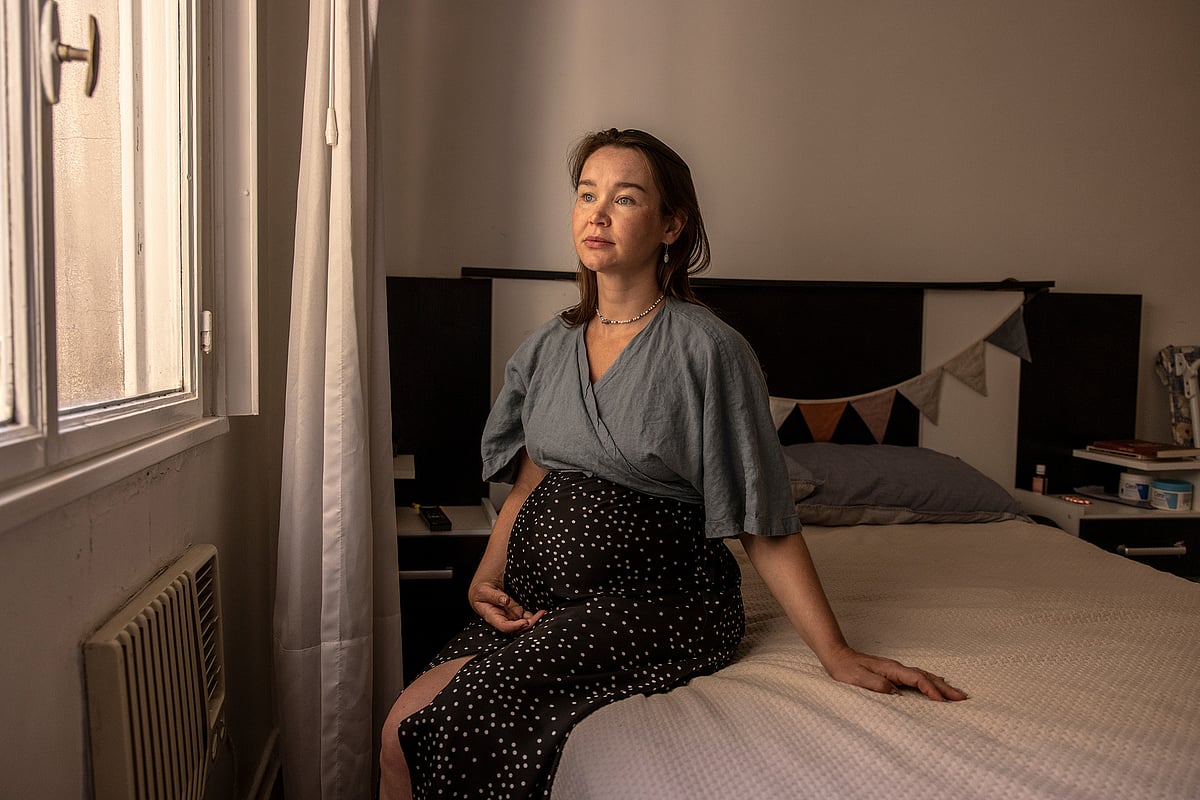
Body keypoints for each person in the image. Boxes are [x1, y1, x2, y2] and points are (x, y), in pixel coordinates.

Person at [379, 128, 967, 800]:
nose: (596, 213)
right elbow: (530, 482)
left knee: (445, 723)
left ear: (670, 225)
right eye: (586, 194)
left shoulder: (708, 350)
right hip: (543, 600)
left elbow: (761, 517)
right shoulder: (549, 346)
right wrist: (485, 577)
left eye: (624, 199)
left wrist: (835, 652)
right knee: (397, 729)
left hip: (658, 600)